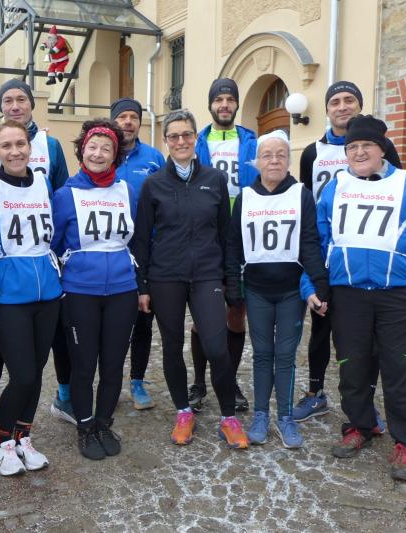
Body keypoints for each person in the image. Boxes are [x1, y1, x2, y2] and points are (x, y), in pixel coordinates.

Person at [318, 115, 406, 481]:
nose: (359, 152)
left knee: (403, 370)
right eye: (353, 147)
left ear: (382, 150)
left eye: (367, 146)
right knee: (352, 366)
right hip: (349, 293)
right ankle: (361, 424)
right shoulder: (336, 186)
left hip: (400, 295)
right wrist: (318, 284)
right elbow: (321, 237)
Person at [132, 109, 247, 448]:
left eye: (187, 135)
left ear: (196, 138)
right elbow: (142, 239)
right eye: (174, 136)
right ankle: (183, 412)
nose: (181, 141)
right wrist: (142, 286)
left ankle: (228, 417)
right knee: (172, 346)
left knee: (216, 346)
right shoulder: (154, 184)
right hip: (165, 276)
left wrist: (231, 281)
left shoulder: (215, 179)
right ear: (165, 141)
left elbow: (226, 235)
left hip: (207, 274)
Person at [294, 81, 402, 429]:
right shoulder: (312, 152)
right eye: (335, 102)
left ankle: (366, 405)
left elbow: (397, 192)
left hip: (368, 254)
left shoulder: (380, 148)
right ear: (327, 110)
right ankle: (315, 393)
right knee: (320, 328)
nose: (342, 107)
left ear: (359, 105)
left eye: (349, 100)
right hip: (328, 251)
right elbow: (306, 200)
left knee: (366, 339)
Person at [0, 79, 71, 444]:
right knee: (24, 374)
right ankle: (3, 437)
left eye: (20, 145)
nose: (15, 151)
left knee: (36, 370)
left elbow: (57, 223)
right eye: (6, 146)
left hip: (46, 291)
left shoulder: (44, 183)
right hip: (7, 293)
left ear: (31, 147)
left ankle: (23, 439)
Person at [224, 130, 329, 449]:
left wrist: (320, 284)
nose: (274, 160)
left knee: (284, 355)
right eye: (267, 155)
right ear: (256, 161)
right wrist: (233, 286)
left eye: (280, 155)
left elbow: (309, 242)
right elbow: (234, 246)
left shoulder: (301, 194)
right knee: (261, 355)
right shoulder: (246, 197)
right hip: (256, 291)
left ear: (288, 161)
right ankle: (260, 415)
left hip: (290, 292)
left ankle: (285, 417)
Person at [52, 119, 139, 460]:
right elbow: (54, 244)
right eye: (92, 147)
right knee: (84, 364)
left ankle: (103, 423)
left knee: (113, 364)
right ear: (81, 151)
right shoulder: (65, 194)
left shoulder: (126, 191)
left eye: (107, 148)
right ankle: (85, 426)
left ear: (115, 155)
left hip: (122, 289)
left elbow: (137, 237)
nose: (99, 154)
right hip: (80, 291)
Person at [191, 78, 258, 413]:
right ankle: (199, 383)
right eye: (219, 100)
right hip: (207, 234)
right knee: (202, 312)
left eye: (230, 99)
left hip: (243, 233)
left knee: (236, 311)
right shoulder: (197, 141)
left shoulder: (251, 141)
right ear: (211, 105)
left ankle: (229, 380)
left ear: (236, 104)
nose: (225, 105)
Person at [111, 97, 166, 410]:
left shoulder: (154, 157)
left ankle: (137, 381)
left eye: (133, 117)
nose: (128, 122)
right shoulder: (104, 154)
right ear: (114, 122)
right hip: (113, 251)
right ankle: (111, 381)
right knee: (116, 321)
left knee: (144, 319)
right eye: (122, 117)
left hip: (148, 251)